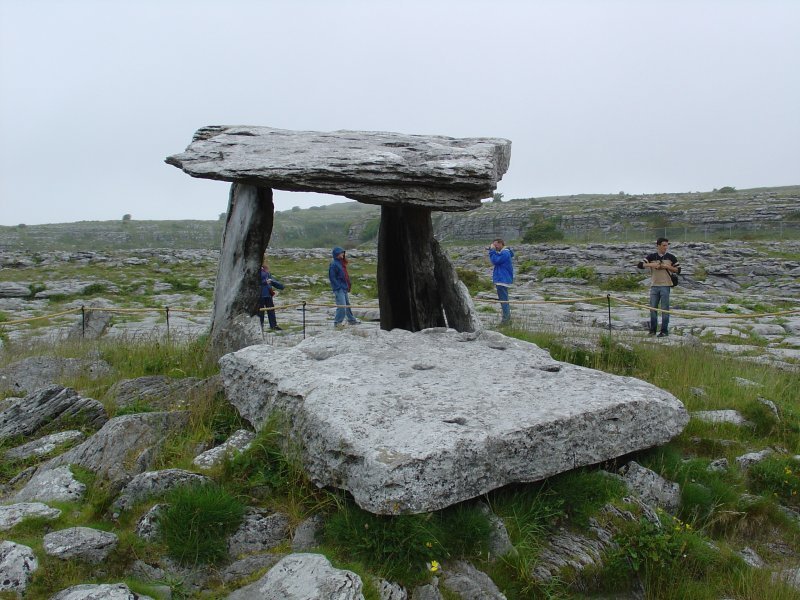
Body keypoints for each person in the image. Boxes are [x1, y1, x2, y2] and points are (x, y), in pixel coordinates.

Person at [637, 237, 680, 337]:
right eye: (664, 245)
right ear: (658, 246)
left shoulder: (671, 257)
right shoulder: (652, 256)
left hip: (666, 285)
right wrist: (653, 265)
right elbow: (640, 265)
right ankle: (652, 330)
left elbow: (678, 270)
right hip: (654, 285)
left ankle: (664, 331)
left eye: (667, 245)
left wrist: (666, 266)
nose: (666, 247)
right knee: (652, 309)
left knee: (665, 309)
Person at [328, 246, 359, 327]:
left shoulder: (341, 263)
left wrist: (348, 285)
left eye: (343, 252)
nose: (343, 254)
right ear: (337, 254)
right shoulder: (334, 264)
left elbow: (345, 275)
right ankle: (337, 322)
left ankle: (351, 320)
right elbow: (332, 277)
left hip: (344, 287)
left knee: (347, 305)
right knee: (342, 306)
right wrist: (338, 287)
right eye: (341, 253)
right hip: (339, 288)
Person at [488, 238, 515, 324]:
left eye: (496, 245)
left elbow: (495, 260)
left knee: (503, 300)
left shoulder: (505, 253)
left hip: (502, 279)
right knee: (504, 300)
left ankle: (506, 320)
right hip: (502, 279)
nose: (495, 247)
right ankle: (507, 318)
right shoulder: (504, 252)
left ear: (501, 244)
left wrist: (492, 251)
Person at [258, 257, 285, 331]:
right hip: (260, 294)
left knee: (271, 310)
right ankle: (261, 326)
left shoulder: (265, 270)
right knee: (261, 311)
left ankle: (273, 325)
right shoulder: (255, 269)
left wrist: (280, 286)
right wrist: (264, 282)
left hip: (268, 293)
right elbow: (253, 281)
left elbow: (272, 280)